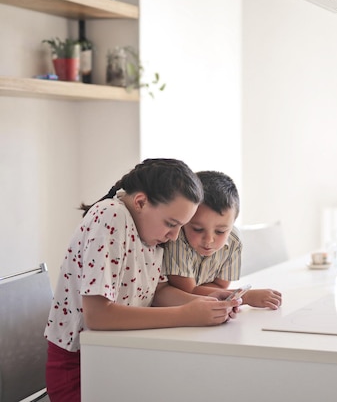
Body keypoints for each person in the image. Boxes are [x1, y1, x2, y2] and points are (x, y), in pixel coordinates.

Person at [44, 159, 241, 402]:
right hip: (82, 367)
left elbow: (158, 292)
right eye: (171, 224)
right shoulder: (111, 216)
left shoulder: (150, 233)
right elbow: (98, 316)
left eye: (181, 227)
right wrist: (186, 314)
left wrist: (206, 299)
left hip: (120, 355)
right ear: (140, 202)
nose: (174, 236)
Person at [163, 170, 282, 309]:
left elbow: (220, 285)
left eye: (220, 231)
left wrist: (212, 294)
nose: (208, 240)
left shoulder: (234, 240)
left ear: (232, 224)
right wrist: (246, 296)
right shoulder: (177, 238)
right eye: (197, 229)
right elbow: (188, 290)